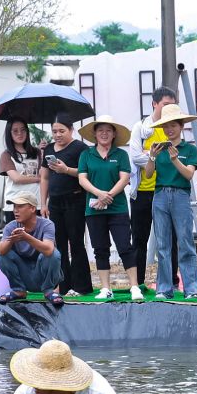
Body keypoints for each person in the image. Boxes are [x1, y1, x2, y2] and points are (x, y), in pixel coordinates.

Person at [76, 115, 139, 301]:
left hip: (117, 207)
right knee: (100, 248)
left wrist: (108, 195)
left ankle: (134, 286)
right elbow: (82, 178)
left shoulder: (121, 154)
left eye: (108, 130)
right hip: (94, 209)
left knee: (125, 246)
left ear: (114, 134)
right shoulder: (86, 154)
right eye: (100, 130)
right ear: (95, 134)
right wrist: (99, 194)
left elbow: (125, 178)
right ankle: (105, 287)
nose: (104, 134)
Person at [7, 339, 137, 394]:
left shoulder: (97, 393)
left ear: (57, 380)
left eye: (40, 378)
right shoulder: (27, 390)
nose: (33, 383)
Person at [145, 104, 197, 299]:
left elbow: (188, 175)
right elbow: (148, 173)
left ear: (181, 126)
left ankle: (193, 288)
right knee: (162, 244)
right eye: (166, 126)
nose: (169, 130)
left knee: (185, 241)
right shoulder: (159, 148)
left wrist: (175, 160)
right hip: (160, 195)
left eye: (173, 125)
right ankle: (164, 288)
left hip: (180, 195)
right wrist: (151, 157)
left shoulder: (190, 149)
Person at [127, 87, 179, 292]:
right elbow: (135, 156)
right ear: (154, 104)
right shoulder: (141, 127)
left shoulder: (172, 128)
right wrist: (158, 156)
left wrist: (151, 155)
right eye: (165, 105)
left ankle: (170, 280)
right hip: (142, 191)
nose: (169, 109)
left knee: (169, 239)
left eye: (172, 105)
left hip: (167, 190)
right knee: (139, 238)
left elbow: (179, 156)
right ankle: (137, 282)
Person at [40, 115, 91, 296]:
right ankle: (63, 285)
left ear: (71, 130)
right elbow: (44, 177)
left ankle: (81, 286)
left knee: (76, 242)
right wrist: (42, 203)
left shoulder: (80, 148)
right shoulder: (48, 150)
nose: (58, 135)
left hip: (75, 199)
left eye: (62, 131)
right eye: (54, 131)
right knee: (58, 245)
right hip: (55, 202)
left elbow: (87, 173)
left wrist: (66, 170)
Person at [0, 192, 63, 304]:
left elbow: (49, 250)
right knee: (0, 255)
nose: (15, 210)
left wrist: (27, 237)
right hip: (24, 273)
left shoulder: (47, 224)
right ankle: (18, 291)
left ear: (32, 208)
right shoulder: (11, 226)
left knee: (54, 254)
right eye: (14, 206)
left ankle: (49, 291)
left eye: (20, 206)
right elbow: (0, 251)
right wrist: (11, 239)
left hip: (41, 273)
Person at [0, 117, 41, 225]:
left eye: (23, 130)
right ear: (9, 133)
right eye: (15, 131)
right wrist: (37, 179)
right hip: (14, 206)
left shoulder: (37, 153)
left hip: (36, 204)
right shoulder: (6, 155)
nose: (20, 133)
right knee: (17, 239)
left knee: (38, 240)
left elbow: (44, 175)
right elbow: (16, 178)